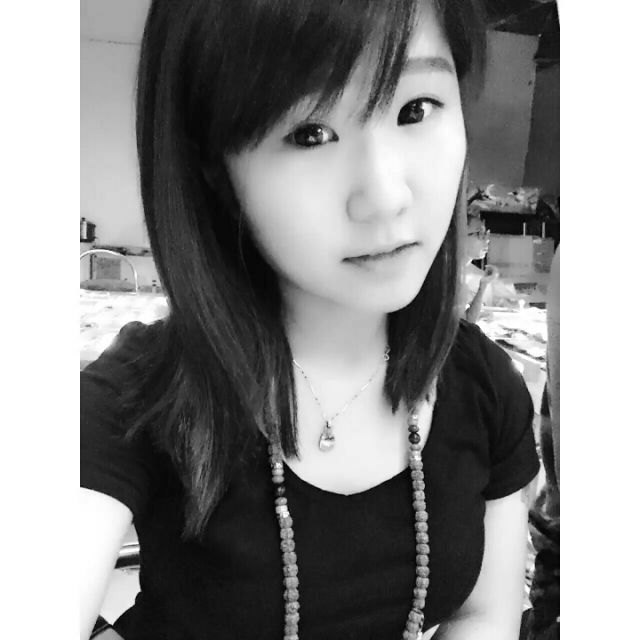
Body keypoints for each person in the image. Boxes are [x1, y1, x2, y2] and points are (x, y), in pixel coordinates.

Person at [80, 1, 540, 639]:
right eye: (310, 134)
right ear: (214, 168)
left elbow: (483, 612)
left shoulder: (483, 384)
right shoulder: (140, 394)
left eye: (416, 109)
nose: (386, 196)